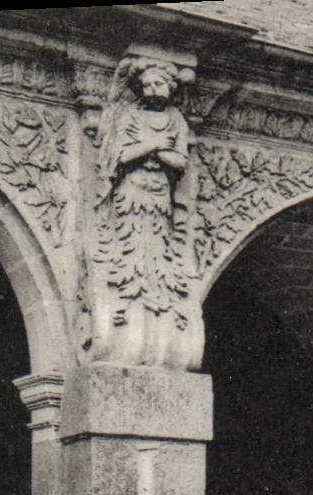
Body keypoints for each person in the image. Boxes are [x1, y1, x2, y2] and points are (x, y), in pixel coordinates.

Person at [91, 56, 198, 369]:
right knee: (130, 244)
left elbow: (180, 162)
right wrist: (155, 145)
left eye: (160, 84)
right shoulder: (129, 114)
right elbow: (122, 155)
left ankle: (152, 301)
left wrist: (151, 148)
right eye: (148, 84)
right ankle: (125, 303)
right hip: (132, 191)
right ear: (139, 87)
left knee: (158, 247)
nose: (154, 89)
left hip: (160, 194)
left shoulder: (176, 118)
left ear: (170, 87)